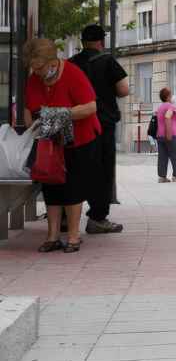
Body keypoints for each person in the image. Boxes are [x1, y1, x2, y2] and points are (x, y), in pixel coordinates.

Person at [24, 38, 101, 253]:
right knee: (51, 186)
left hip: (80, 138)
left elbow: (91, 107)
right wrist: (34, 128)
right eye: (34, 68)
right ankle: (52, 236)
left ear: (53, 61)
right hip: (49, 142)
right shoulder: (34, 79)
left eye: (40, 67)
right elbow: (30, 109)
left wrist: (62, 113)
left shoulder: (73, 73)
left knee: (72, 187)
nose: (37, 72)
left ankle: (74, 236)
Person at [69, 24, 128, 234]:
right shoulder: (107, 61)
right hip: (102, 123)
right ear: (101, 42)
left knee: (75, 167)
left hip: (76, 123)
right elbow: (123, 90)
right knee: (102, 169)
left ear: (82, 41)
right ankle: (97, 217)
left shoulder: (71, 64)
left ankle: (68, 217)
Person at [156, 87, 176, 183]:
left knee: (162, 156)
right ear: (168, 96)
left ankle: (162, 177)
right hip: (170, 135)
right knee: (175, 155)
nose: (172, 96)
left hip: (160, 135)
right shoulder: (170, 106)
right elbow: (167, 117)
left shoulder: (159, 107)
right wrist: (169, 134)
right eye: (171, 95)